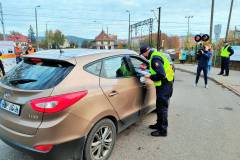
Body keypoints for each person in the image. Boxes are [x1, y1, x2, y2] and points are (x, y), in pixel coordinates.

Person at [140, 46, 174, 137]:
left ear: (146, 52)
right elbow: (157, 67)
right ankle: (158, 125)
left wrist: (149, 76)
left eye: (143, 54)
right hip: (164, 84)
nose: (144, 56)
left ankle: (163, 131)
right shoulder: (155, 56)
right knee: (159, 106)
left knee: (162, 108)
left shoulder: (154, 58)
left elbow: (161, 75)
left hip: (164, 85)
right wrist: (147, 67)